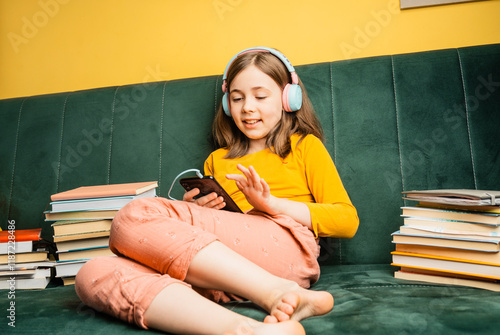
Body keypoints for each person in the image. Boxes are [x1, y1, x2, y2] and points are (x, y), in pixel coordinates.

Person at [75, 47, 359, 335]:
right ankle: (244, 330)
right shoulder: (217, 160)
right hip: (221, 273)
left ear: (289, 98)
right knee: (93, 273)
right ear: (226, 103)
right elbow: (204, 238)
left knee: (134, 215)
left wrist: (272, 204)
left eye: (260, 97)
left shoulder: (304, 147)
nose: (247, 107)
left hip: (287, 246)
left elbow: (347, 220)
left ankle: (276, 292)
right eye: (237, 98)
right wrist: (196, 211)